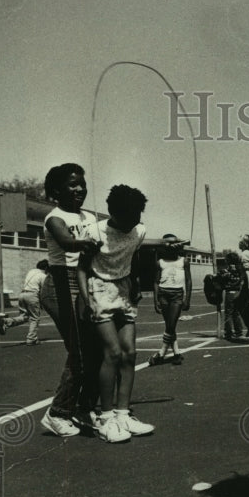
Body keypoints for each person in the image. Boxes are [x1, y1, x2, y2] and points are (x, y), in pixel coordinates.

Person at [77, 184, 183, 443]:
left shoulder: (138, 229)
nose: (132, 224)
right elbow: (80, 268)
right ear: (113, 213)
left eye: (137, 218)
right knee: (112, 353)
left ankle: (123, 413)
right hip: (98, 290)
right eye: (127, 219)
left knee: (130, 353)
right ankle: (106, 417)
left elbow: (136, 250)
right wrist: (86, 298)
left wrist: (136, 280)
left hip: (123, 290)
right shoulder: (94, 232)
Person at [37, 162, 103, 437]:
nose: (79, 189)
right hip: (61, 286)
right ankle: (57, 413)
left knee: (97, 351)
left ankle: (83, 408)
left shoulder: (89, 217)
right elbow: (66, 242)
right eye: (72, 184)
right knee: (80, 353)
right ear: (56, 191)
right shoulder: (54, 218)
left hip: (85, 282)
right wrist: (86, 243)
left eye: (82, 184)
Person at [149, 233, 191, 365]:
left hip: (177, 295)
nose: (171, 247)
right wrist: (155, 300)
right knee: (169, 326)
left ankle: (161, 353)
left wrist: (187, 298)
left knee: (171, 325)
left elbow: (188, 281)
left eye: (174, 244)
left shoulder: (183, 261)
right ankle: (177, 353)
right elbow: (156, 282)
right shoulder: (160, 262)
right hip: (163, 294)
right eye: (168, 244)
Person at [0, 259, 48, 344]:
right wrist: (43, 303)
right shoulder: (43, 276)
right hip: (32, 295)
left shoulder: (31, 272)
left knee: (25, 316)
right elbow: (43, 291)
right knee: (35, 318)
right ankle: (31, 339)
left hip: (22, 294)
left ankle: (8, 321)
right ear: (46, 268)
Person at [220, 252, 245, 341]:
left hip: (230, 291)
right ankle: (239, 332)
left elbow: (224, 279)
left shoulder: (229, 269)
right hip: (238, 291)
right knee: (236, 313)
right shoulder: (240, 267)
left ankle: (228, 333)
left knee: (228, 313)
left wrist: (224, 277)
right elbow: (242, 278)